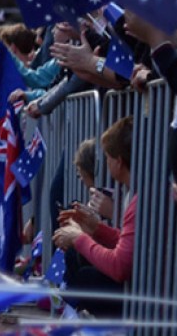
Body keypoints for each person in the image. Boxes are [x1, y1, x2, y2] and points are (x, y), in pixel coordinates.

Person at [53, 116, 136, 318]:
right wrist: (96, 229)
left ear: (118, 162)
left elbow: (119, 267)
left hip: (145, 298)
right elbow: (131, 246)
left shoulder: (140, 198)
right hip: (141, 285)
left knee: (86, 279)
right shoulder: (137, 192)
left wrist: (78, 238)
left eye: (107, 157)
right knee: (78, 259)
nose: (105, 164)